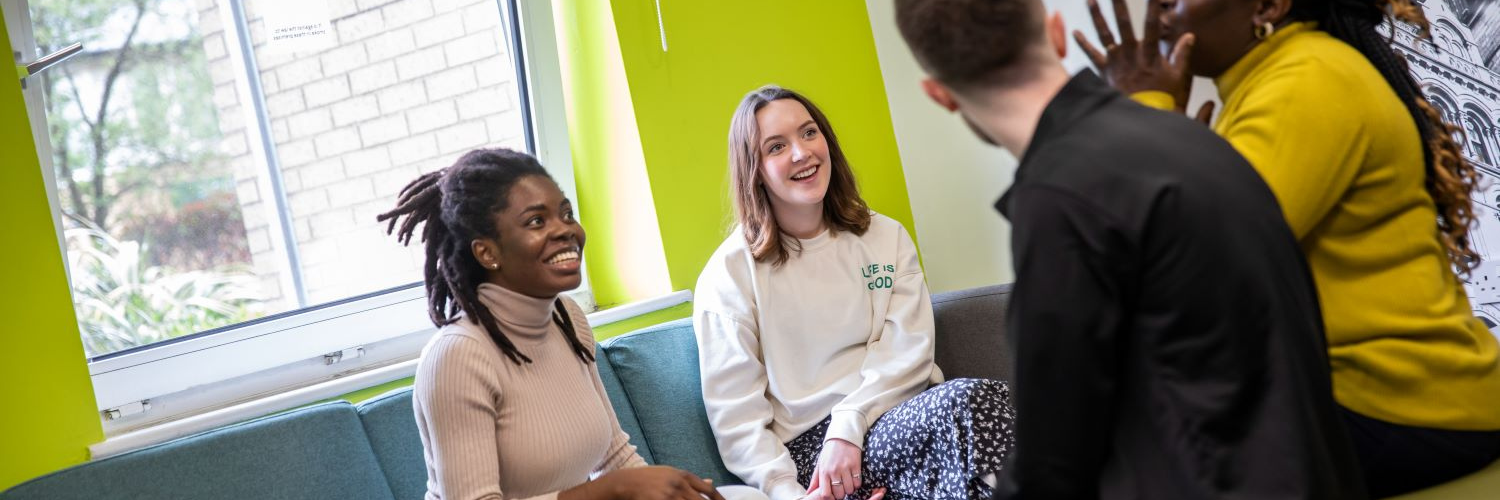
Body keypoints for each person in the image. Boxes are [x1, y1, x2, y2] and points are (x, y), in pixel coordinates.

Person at [894, 0, 1366, 498]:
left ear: (940, 94)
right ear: (1056, 35)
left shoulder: (1061, 196)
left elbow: (1053, 456)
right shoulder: (1191, 137)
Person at [1075, 0, 1500, 494]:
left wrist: (1146, 115)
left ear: (1268, 6)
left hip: (1406, 409)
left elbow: (1184, 278)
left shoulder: (1307, 79)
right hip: (1389, 400)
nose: (1161, 5)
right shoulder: (1278, 79)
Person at [693, 85, 1016, 500]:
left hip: (899, 411)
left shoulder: (884, 236)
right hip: (817, 455)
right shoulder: (730, 274)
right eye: (776, 146)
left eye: (809, 133)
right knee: (970, 407)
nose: (801, 153)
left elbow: (909, 350)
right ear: (753, 169)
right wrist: (789, 493)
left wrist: (851, 424)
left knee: (971, 430)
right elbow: (737, 417)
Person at [378, 148, 735, 500]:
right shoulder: (457, 357)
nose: (565, 230)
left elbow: (615, 457)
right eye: (537, 221)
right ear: (487, 252)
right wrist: (607, 492)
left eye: (566, 214)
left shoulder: (567, 318)